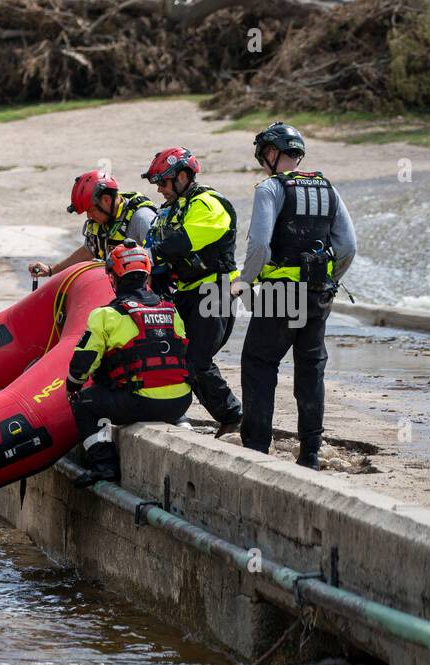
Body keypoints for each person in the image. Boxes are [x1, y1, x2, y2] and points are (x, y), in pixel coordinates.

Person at [237, 121, 357, 470]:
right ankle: (310, 453)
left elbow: (259, 244)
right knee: (310, 369)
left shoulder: (270, 189)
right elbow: (348, 247)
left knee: (259, 363)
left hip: (279, 294)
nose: (263, 162)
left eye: (263, 156)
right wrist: (329, 281)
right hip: (318, 294)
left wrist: (245, 280)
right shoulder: (328, 189)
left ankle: (257, 447)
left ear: (272, 154)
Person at [66, 240, 193, 488]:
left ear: (114, 278)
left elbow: (83, 363)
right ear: (146, 276)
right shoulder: (171, 310)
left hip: (140, 401)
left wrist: (72, 386)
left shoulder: (106, 315)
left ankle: (104, 466)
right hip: (181, 402)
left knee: (84, 404)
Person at [142, 147, 244, 436]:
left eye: (163, 182)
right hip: (186, 291)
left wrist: (148, 254)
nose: (160, 190)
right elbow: (160, 247)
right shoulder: (170, 209)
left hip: (215, 291)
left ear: (183, 176)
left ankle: (234, 416)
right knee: (180, 358)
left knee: (197, 360)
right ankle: (188, 414)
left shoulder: (208, 204)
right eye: (157, 184)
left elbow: (181, 243)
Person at [28, 169, 157, 279]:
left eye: (91, 210)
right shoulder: (106, 217)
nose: (89, 216)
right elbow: (88, 251)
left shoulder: (142, 218)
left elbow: (159, 262)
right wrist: (52, 270)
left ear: (106, 200)